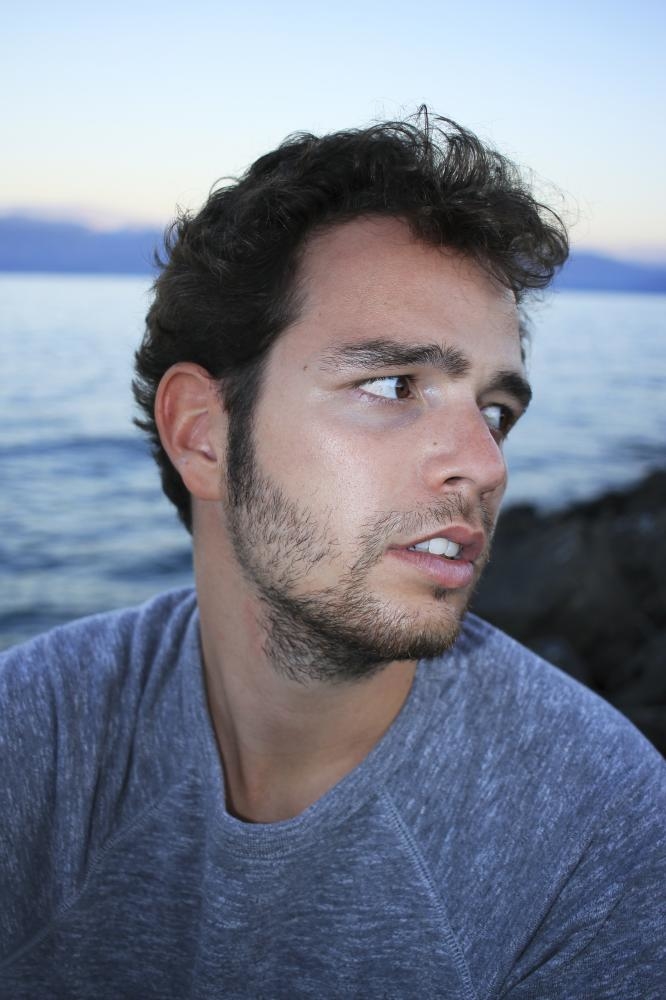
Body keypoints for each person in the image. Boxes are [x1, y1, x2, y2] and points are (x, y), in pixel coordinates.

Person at [0, 111, 663, 1000]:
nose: (486, 463)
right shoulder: (34, 738)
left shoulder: (598, 829)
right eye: (393, 385)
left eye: (495, 410)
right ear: (201, 435)